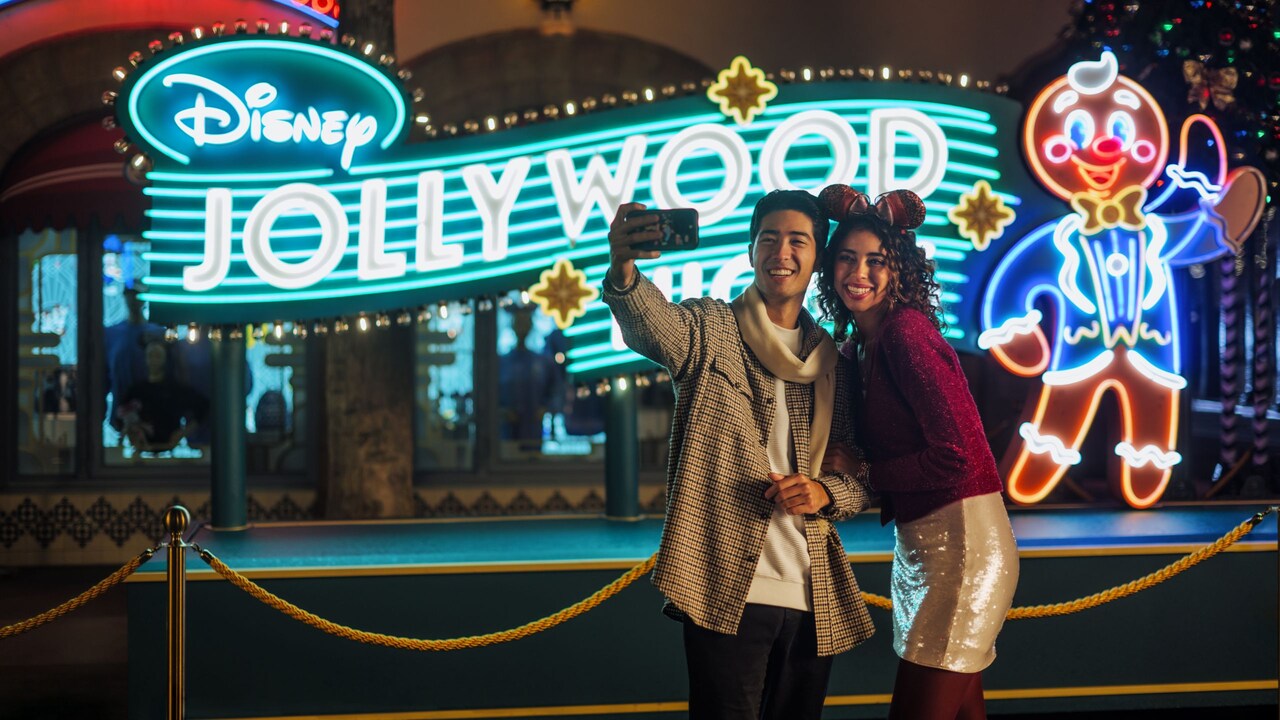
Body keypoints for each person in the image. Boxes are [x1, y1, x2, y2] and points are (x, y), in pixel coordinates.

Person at [603, 190, 874, 720]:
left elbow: (859, 475)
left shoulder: (832, 361)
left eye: (799, 241)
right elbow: (647, 322)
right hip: (726, 585)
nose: (782, 252)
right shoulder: (709, 328)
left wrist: (825, 491)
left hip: (811, 590)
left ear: (817, 256)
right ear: (751, 250)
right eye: (768, 238)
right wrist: (622, 267)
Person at [815, 185, 1019, 720]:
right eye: (847, 258)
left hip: (962, 547)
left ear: (900, 270)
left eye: (876, 261)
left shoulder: (906, 334)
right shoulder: (860, 342)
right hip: (921, 548)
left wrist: (863, 470)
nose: (859, 273)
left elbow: (954, 455)